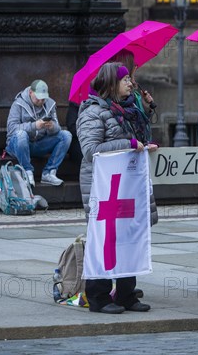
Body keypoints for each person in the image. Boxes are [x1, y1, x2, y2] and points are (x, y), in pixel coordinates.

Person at [77, 62, 158, 314]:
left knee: (130, 237)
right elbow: (90, 151)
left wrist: (147, 113)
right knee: (106, 240)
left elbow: (138, 140)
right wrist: (129, 142)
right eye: (125, 80)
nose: (130, 83)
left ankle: (126, 294)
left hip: (129, 185)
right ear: (112, 84)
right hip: (105, 188)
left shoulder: (130, 109)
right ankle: (98, 297)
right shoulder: (92, 112)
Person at [5, 79, 72, 187]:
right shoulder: (18, 104)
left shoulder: (50, 104)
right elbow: (12, 129)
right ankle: (27, 172)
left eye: (43, 99)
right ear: (31, 92)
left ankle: (49, 173)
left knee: (66, 135)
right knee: (21, 135)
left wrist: (52, 127)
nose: (41, 102)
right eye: (38, 98)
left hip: (39, 144)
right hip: (18, 146)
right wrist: (34, 126)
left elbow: (58, 128)